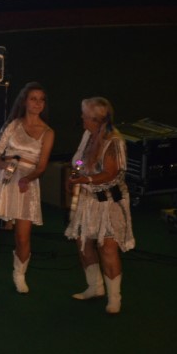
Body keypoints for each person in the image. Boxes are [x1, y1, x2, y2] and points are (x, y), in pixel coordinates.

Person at [0, 82, 55, 298]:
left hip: (27, 182)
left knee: (22, 237)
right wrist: (6, 165)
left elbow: (41, 166)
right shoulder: (13, 125)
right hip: (4, 178)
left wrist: (27, 178)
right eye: (33, 99)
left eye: (41, 100)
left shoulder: (48, 132)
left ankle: (19, 276)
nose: (37, 103)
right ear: (25, 101)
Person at [65, 97, 135, 314]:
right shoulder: (88, 134)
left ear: (96, 120)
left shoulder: (114, 141)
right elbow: (79, 159)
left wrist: (85, 179)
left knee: (107, 247)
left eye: (85, 116)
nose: (82, 118)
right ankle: (94, 287)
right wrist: (75, 172)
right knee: (83, 241)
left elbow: (110, 173)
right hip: (88, 199)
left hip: (109, 201)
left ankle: (114, 298)